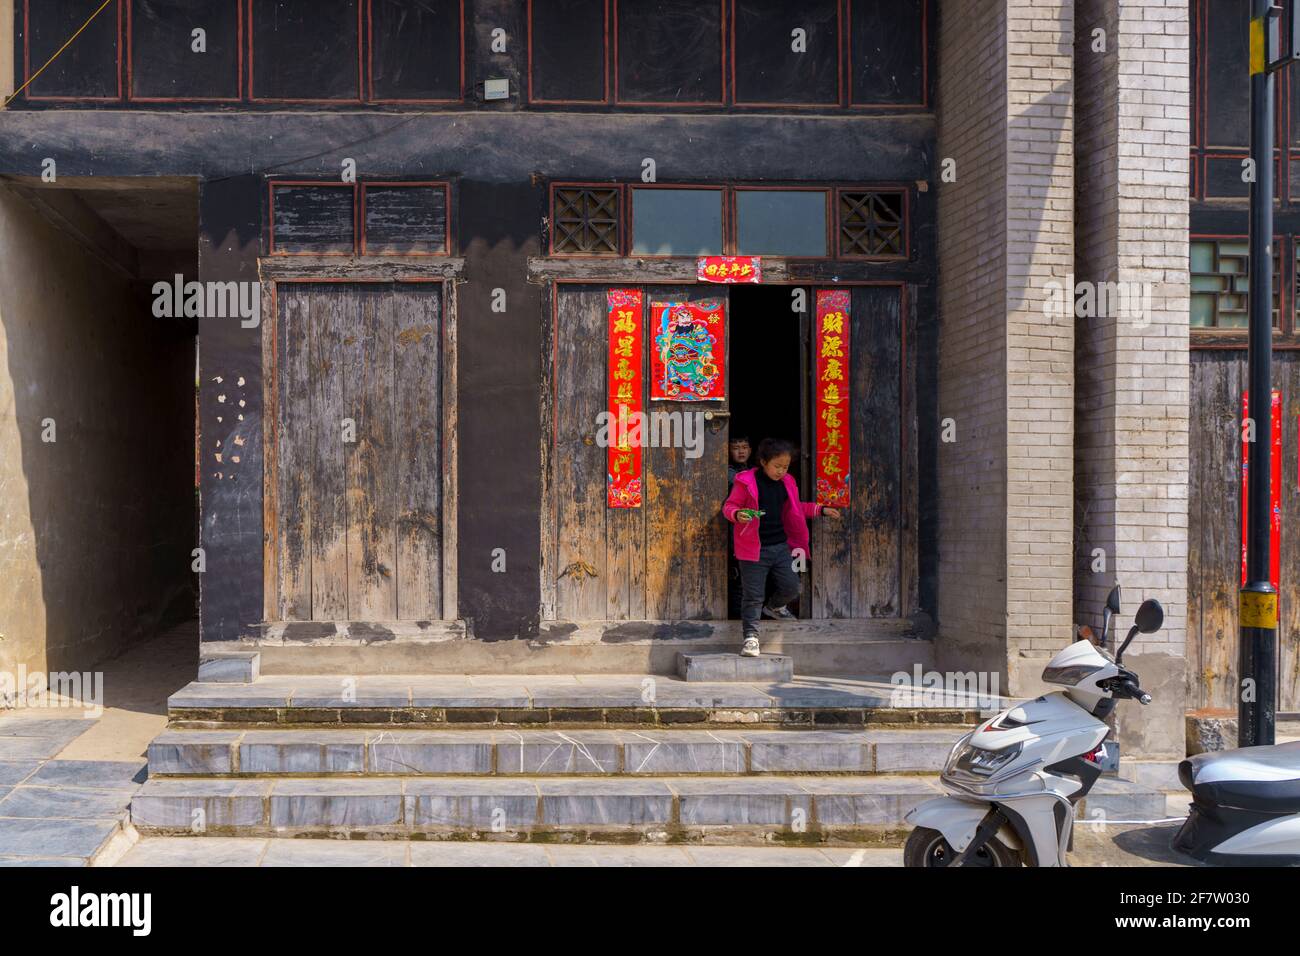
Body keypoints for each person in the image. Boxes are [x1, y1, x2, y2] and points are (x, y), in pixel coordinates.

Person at [722, 438, 840, 658]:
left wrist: (820, 509)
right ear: (763, 462)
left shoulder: (787, 482)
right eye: (777, 466)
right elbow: (729, 506)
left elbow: (795, 508)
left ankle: (775, 607)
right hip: (752, 549)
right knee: (753, 596)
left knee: (792, 587)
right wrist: (737, 514)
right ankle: (751, 638)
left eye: (785, 467)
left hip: (781, 547)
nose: (781, 471)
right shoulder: (745, 481)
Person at [725, 436, 753, 619]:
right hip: (733, 528)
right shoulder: (729, 473)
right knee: (737, 574)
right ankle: (737, 617)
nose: (741, 451)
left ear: (750, 450)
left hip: (750, 529)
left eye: (744, 447)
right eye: (736, 447)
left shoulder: (752, 470)